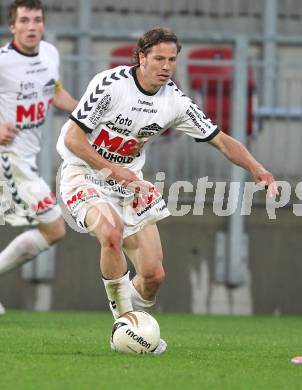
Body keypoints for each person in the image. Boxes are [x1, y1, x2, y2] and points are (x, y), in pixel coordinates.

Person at [56, 27, 277, 354]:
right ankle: (125, 322)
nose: (166, 66)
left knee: (154, 275)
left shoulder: (174, 101)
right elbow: (74, 138)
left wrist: (257, 168)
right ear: (141, 57)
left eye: (172, 59)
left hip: (128, 184)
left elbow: (220, 139)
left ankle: (132, 330)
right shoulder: (111, 85)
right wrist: (116, 170)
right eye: (159, 58)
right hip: (83, 173)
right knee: (111, 233)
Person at [0, 0, 78, 314]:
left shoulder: (49, 53)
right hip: (8, 157)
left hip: (26, 158)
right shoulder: (3, 62)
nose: (32, 26)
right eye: (25, 21)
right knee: (54, 227)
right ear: (12, 26)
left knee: (54, 229)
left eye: (37, 20)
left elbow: (54, 91)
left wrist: (87, 115)